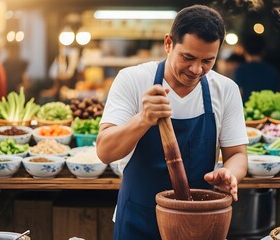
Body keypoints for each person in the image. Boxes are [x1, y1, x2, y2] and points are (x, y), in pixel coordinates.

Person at [96, 5, 248, 239]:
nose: (197, 69)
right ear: (168, 44)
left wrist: (229, 174)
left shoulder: (225, 90)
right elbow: (105, 151)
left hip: (198, 221)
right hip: (139, 221)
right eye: (188, 57)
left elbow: (237, 154)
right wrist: (143, 119)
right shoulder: (133, 79)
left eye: (208, 60)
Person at [234, 34, 280, 103]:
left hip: (246, 111)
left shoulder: (241, 70)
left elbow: (239, 94)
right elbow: (277, 95)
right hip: (269, 112)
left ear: (245, 51)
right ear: (263, 51)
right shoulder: (272, 71)